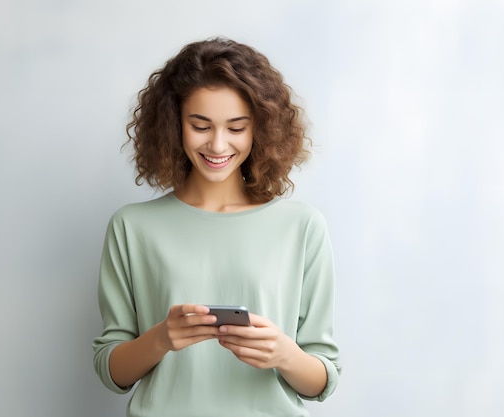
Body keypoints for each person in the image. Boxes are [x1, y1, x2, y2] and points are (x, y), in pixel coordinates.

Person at [92, 37, 340, 417]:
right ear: (174, 125)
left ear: (261, 128)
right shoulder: (132, 227)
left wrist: (284, 354)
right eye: (201, 125)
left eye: (236, 127)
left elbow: (323, 380)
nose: (218, 144)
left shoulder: (302, 227)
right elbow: (112, 371)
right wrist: (162, 338)